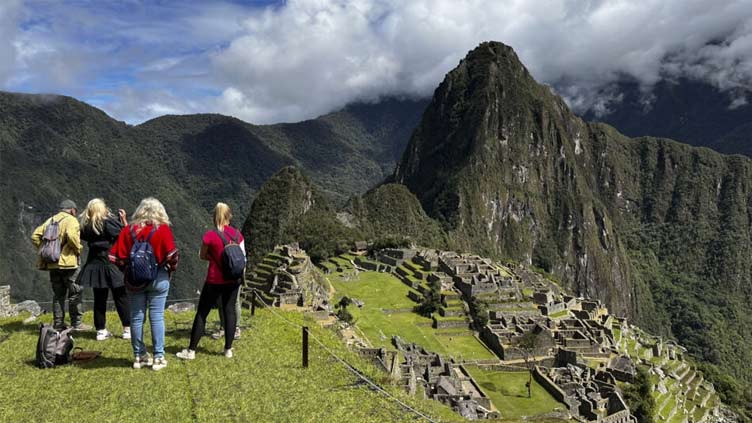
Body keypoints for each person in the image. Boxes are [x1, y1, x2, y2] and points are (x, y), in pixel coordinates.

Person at [110, 198, 178, 371]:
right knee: (156, 316)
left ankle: (139, 356)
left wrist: (127, 270)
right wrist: (170, 269)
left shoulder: (128, 230)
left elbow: (115, 257)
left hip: (134, 280)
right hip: (159, 277)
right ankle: (158, 357)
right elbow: (172, 256)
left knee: (137, 317)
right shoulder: (162, 230)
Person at [177, 202, 245, 361]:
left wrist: (214, 257)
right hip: (234, 279)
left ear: (215, 217)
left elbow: (202, 255)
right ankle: (228, 349)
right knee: (230, 311)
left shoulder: (210, 236)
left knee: (202, 313)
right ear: (229, 216)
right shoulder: (237, 235)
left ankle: (191, 350)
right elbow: (242, 257)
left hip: (215, 279)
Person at [31, 199, 90, 331]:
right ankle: (77, 323)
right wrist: (78, 248)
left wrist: (45, 249)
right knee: (75, 293)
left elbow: (35, 236)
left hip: (52, 263)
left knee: (58, 295)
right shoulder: (71, 220)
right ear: (72, 210)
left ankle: (58, 324)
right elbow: (71, 235)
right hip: (69, 263)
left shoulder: (51, 220)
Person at [77, 199, 131, 341]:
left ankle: (100, 330)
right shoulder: (108, 223)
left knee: (99, 298)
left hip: (94, 263)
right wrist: (123, 219)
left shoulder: (86, 226)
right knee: (120, 296)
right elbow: (124, 235)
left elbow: (82, 236)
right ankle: (127, 329)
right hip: (111, 262)